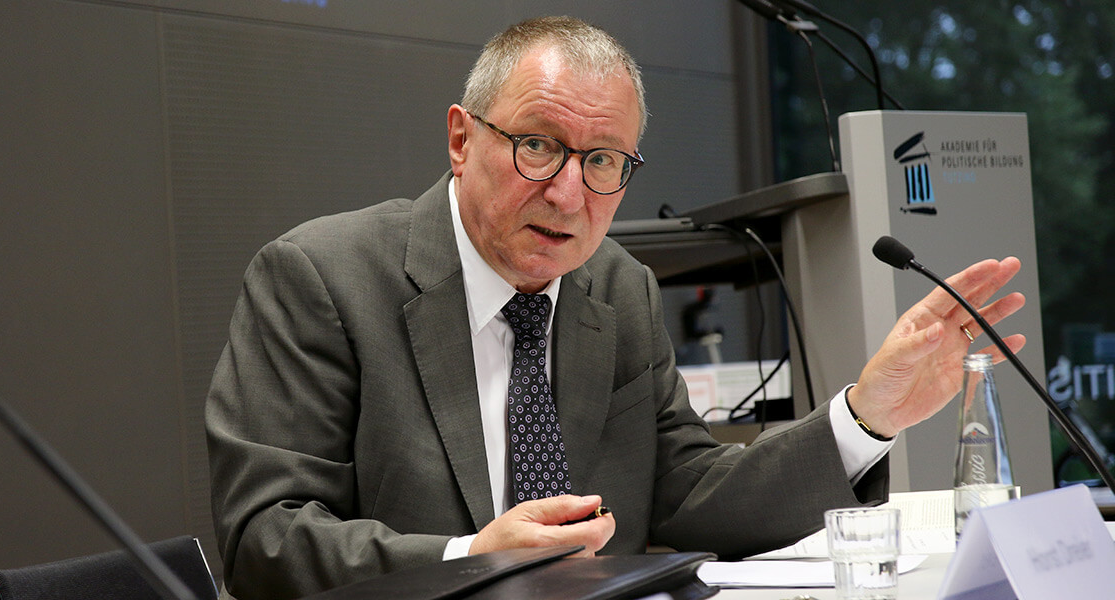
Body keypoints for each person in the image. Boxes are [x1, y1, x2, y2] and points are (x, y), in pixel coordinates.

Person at [205, 15, 1026, 600]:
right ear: (462, 140)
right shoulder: (320, 277)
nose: (568, 192)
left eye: (602, 160)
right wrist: (469, 556)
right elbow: (263, 542)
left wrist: (865, 414)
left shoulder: (616, 288)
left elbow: (690, 494)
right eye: (537, 146)